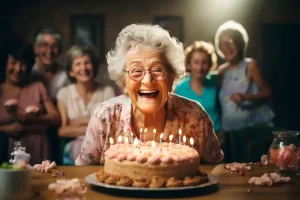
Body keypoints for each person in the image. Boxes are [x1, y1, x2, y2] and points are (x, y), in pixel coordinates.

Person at [75, 24, 223, 165]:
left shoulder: (194, 116)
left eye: (158, 70)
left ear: (171, 78)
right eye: (136, 71)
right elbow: (84, 172)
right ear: (123, 81)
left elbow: (215, 169)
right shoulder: (106, 117)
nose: (148, 80)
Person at [215, 20, 275, 162]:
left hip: (252, 133)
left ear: (240, 43)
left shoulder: (250, 65)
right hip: (230, 134)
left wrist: (245, 96)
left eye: (231, 42)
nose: (227, 47)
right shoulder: (221, 71)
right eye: (222, 43)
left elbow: (268, 93)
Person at [0, 42, 60, 165]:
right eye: (13, 63)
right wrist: (4, 128)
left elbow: (56, 118)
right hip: (6, 151)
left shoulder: (37, 87)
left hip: (38, 148)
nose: (18, 69)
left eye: (23, 64)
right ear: (4, 64)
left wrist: (34, 118)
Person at [56, 45, 115, 165]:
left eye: (87, 63)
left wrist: (75, 123)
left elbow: (111, 126)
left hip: (102, 150)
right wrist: (95, 124)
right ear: (71, 72)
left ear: (93, 67)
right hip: (73, 153)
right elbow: (63, 130)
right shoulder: (64, 93)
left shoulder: (107, 91)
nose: (83, 67)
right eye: (78, 64)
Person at [175, 41, 222, 133]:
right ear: (189, 64)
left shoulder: (215, 81)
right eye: (196, 62)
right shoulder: (180, 89)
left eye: (204, 62)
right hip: (192, 135)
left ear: (209, 64)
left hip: (218, 135)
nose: (200, 67)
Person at [31, 28, 70, 100]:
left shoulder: (65, 76)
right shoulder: (27, 72)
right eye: (44, 45)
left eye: (54, 46)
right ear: (36, 48)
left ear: (60, 50)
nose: (49, 51)